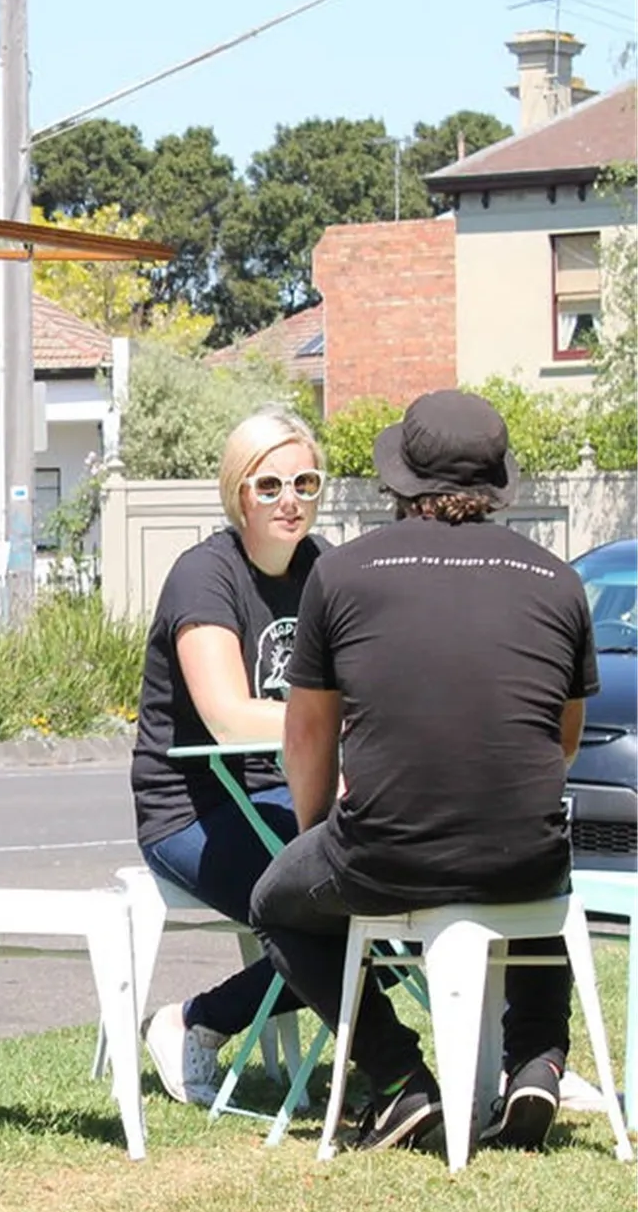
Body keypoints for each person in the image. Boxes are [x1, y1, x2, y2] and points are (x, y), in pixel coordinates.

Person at [249, 388, 596, 1152]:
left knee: (276, 903)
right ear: (495, 483)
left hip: (387, 853)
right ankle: (536, 1060)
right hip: (525, 859)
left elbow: (308, 737)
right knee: (539, 854)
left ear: (400, 479)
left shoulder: (342, 575)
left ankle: (402, 1081)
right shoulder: (557, 581)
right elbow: (559, 743)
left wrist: (318, 837)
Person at [131, 406, 328, 1105]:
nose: (290, 501)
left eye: (305, 483)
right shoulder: (204, 575)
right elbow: (226, 714)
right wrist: (333, 722)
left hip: (291, 794)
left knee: (399, 895)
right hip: (192, 809)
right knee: (329, 910)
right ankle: (194, 1020)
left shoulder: (323, 569)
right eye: (269, 485)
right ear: (236, 492)